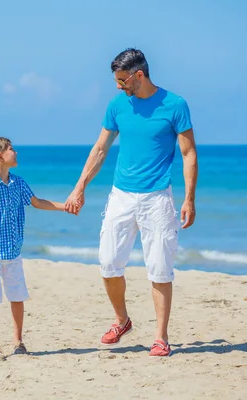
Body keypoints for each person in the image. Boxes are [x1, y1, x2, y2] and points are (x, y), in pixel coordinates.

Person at [65, 48, 198, 357]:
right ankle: (122, 320)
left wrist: (189, 199)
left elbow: (188, 154)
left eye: (122, 80)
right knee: (109, 263)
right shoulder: (117, 105)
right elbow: (100, 149)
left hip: (157, 198)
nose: (119, 86)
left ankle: (161, 337)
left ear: (140, 76)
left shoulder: (175, 105)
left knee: (160, 269)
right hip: (121, 196)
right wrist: (79, 187)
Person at [0, 137, 68, 360]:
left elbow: (37, 202)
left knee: (17, 297)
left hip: (13, 253)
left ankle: (18, 341)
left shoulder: (18, 183)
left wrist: (64, 207)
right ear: (0, 156)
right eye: (11, 149)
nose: (16, 152)